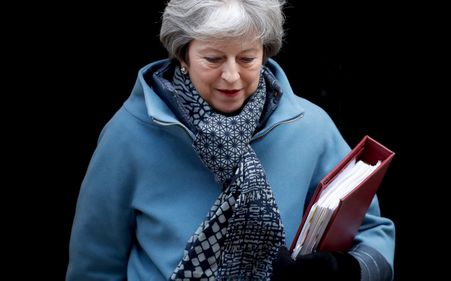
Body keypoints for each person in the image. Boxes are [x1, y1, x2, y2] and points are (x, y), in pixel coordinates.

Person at [66, 0, 395, 280]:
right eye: (213, 58)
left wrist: (342, 269)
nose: (231, 76)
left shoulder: (311, 127)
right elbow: (94, 266)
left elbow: (374, 234)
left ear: (264, 54)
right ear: (183, 55)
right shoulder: (129, 135)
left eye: (247, 58)